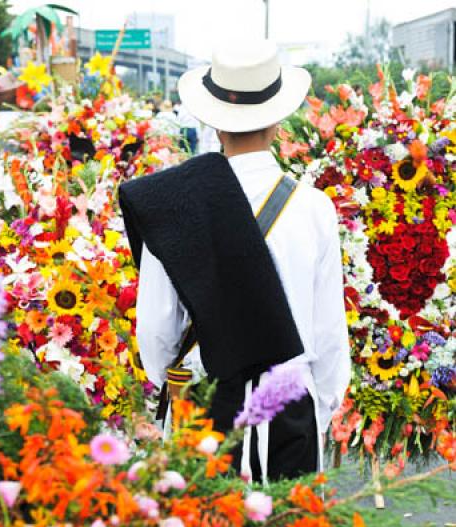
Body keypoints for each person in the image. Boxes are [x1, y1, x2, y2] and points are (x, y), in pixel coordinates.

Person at [119, 40, 350, 482]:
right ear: (279, 119)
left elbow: (155, 329)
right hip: (291, 405)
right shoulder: (315, 207)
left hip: (205, 404)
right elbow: (328, 337)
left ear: (213, 120)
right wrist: (316, 414)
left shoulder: (171, 205)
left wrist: (177, 377)